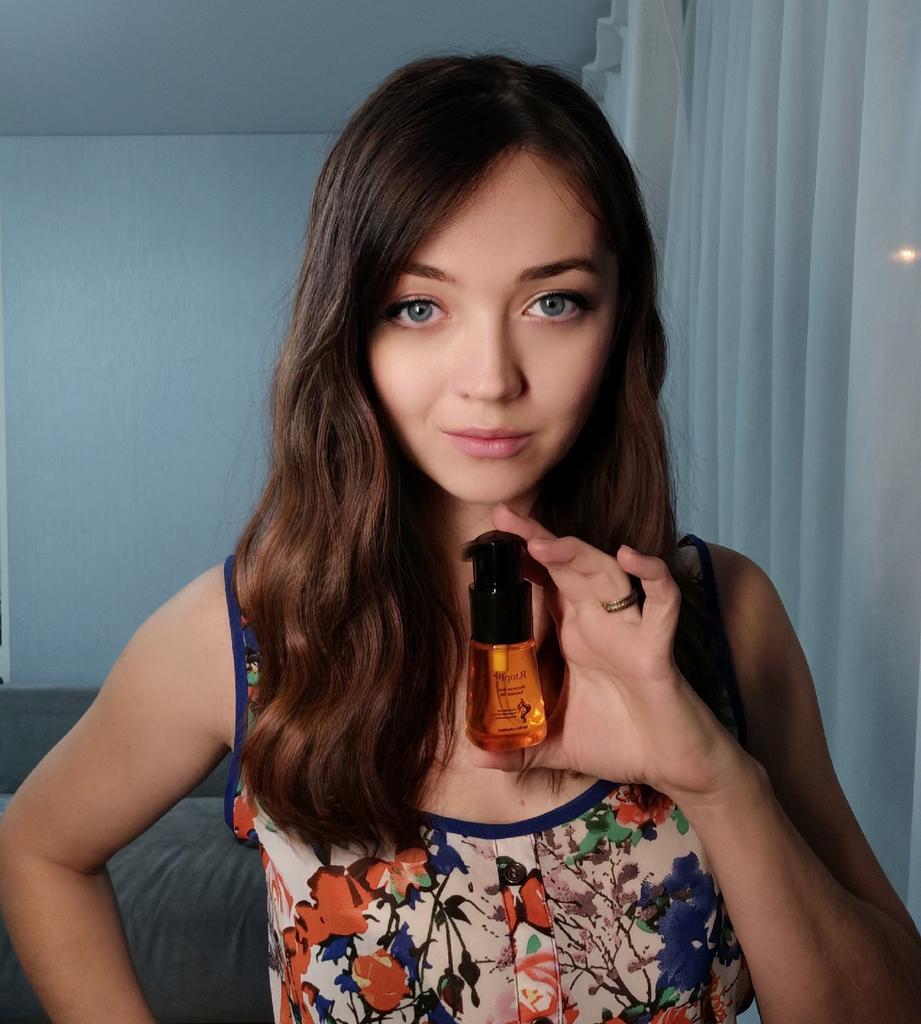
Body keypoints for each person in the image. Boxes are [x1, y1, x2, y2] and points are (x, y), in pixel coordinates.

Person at [1, 52, 920, 1024]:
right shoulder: (244, 632)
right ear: (350, 331)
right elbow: (38, 848)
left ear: (619, 323)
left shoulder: (723, 613)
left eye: (553, 302)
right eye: (419, 306)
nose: (490, 378)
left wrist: (712, 776)